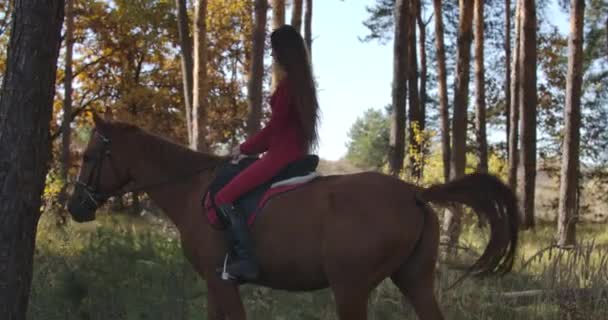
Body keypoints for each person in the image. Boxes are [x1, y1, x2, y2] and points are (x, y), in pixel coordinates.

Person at [214, 24, 320, 282]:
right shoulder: (303, 83)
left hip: (280, 156)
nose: (272, 58)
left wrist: (243, 148)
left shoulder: (288, 87)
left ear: (283, 53)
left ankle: (245, 260)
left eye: (274, 52)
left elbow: (274, 130)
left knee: (224, 196)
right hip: (293, 153)